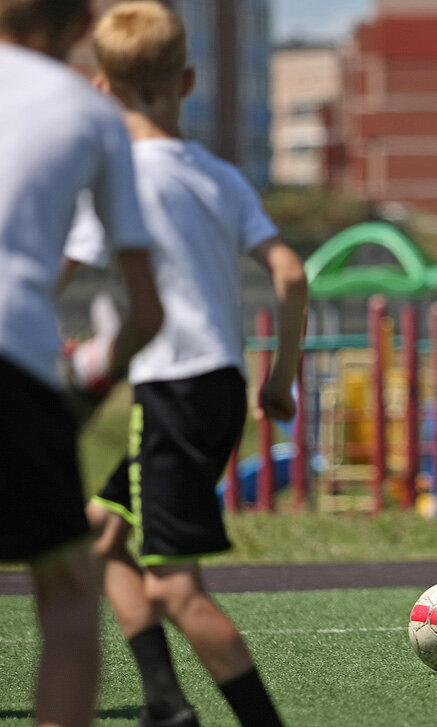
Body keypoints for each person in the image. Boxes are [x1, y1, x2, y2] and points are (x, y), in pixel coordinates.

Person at [60, 3, 307, 726]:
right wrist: (281, 379)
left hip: (170, 391)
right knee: (102, 529)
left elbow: (52, 275)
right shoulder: (221, 176)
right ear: (189, 80)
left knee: (175, 588)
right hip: (222, 386)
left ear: (101, 90)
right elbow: (290, 273)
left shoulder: (112, 177)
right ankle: (165, 704)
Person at [0, 1, 163, 725]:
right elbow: (146, 309)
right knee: (66, 589)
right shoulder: (90, 114)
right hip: (17, 360)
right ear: (80, 27)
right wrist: (88, 376)